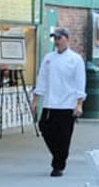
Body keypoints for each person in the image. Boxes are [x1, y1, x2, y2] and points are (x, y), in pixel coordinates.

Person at [34, 26, 88, 176]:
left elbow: (80, 83)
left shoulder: (75, 60)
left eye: (59, 38)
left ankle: (58, 165)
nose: (57, 41)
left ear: (67, 39)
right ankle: (57, 154)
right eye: (55, 38)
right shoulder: (49, 58)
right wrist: (36, 99)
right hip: (50, 103)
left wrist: (79, 104)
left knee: (63, 136)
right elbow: (42, 79)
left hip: (67, 104)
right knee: (44, 128)